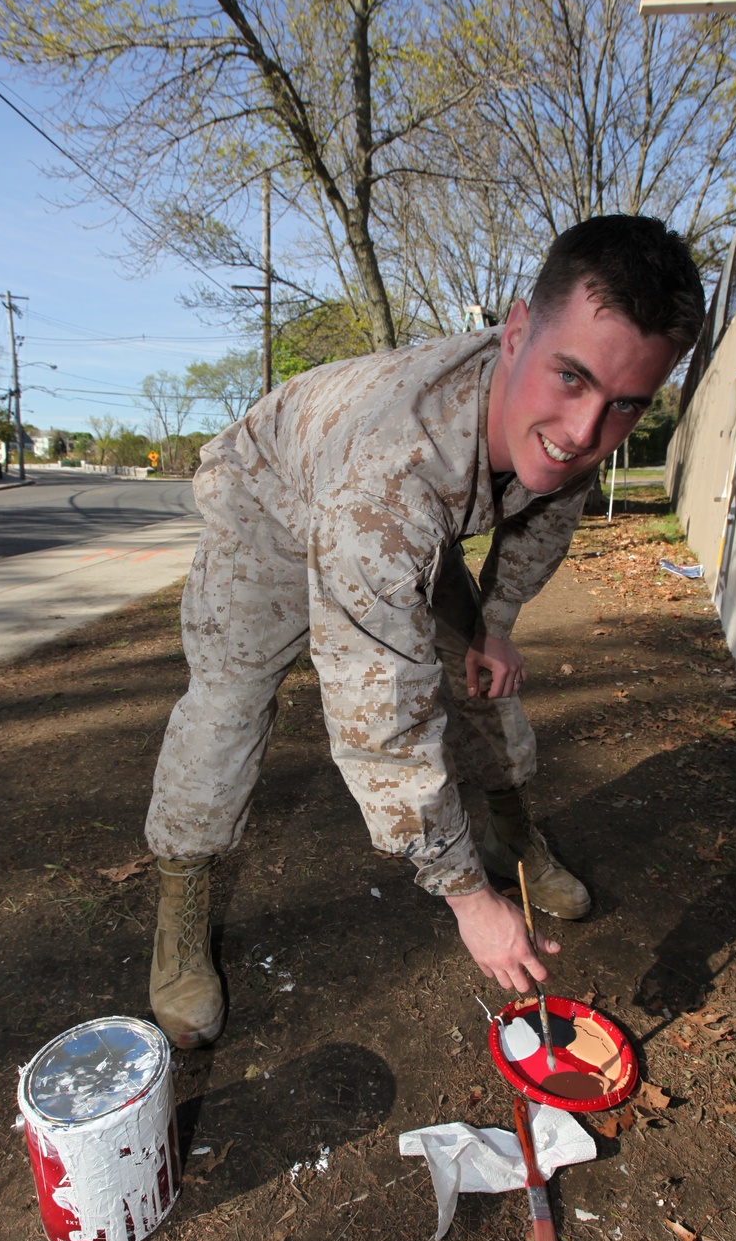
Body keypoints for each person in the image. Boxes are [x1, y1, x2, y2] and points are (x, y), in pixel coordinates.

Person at [145, 214, 705, 1048]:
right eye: (572, 380)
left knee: (475, 662)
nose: (587, 431)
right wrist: (466, 896)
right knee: (230, 704)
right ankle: (181, 904)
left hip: (387, 509)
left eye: (626, 404)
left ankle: (512, 830)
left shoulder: (568, 425)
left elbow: (545, 513)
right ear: (517, 331)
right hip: (269, 504)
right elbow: (379, 715)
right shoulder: (391, 482)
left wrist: (500, 623)